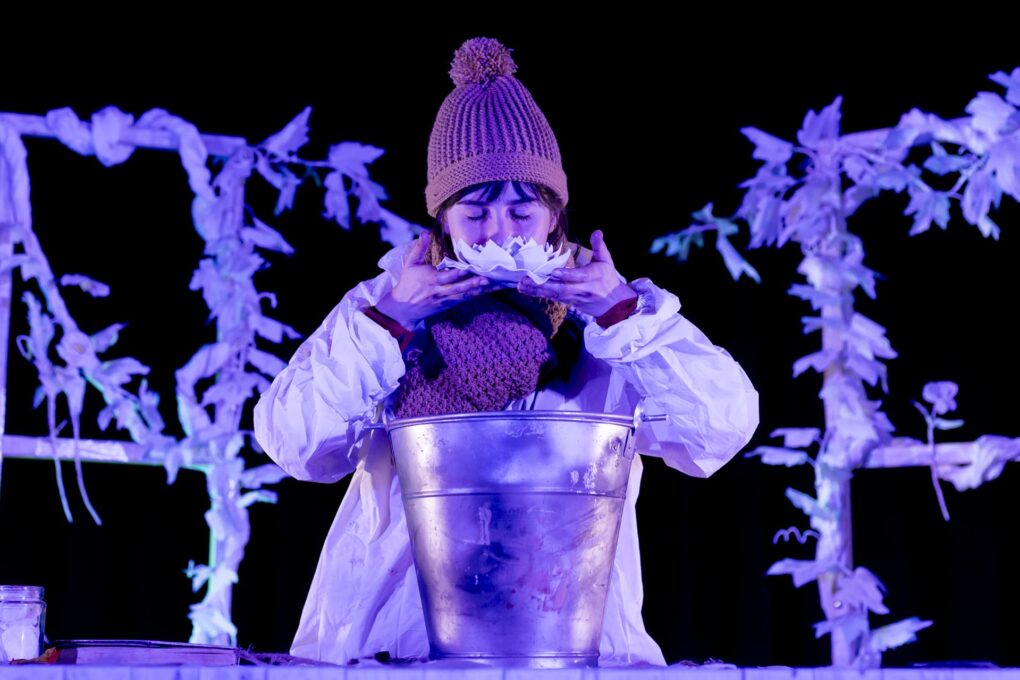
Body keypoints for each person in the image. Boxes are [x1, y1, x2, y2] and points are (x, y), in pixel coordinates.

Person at [253, 36, 759, 667]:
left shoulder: (606, 314)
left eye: (522, 213)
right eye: (475, 214)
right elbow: (294, 443)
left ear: (554, 215)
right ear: (442, 219)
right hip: (401, 649)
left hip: (570, 646)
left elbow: (721, 427)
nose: (500, 233)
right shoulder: (387, 303)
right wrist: (391, 325)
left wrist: (622, 314)